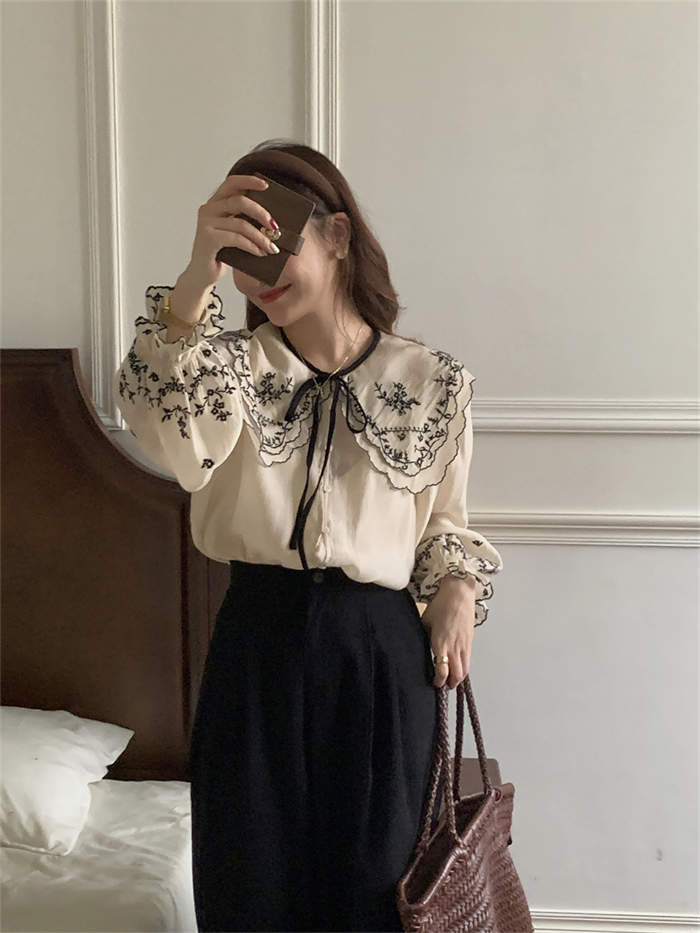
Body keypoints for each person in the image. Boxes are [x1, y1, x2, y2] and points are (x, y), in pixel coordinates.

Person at [112, 140, 503, 933]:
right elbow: (173, 439)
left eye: (277, 241)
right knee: (249, 884)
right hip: (258, 646)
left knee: (378, 896)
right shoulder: (225, 371)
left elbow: (444, 522)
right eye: (241, 251)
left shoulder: (432, 382)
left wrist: (459, 588)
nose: (260, 273)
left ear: (338, 236)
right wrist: (194, 279)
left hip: (381, 659)